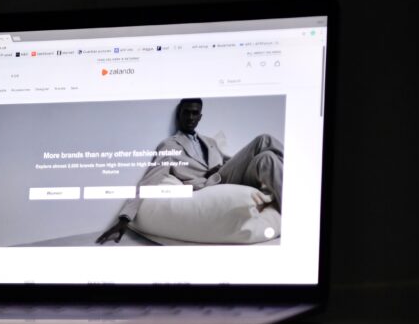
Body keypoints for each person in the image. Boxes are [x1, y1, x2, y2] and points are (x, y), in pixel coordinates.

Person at [96, 98, 284, 243]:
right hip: (208, 184)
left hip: (226, 174)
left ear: (200, 116)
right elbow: (149, 180)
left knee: (266, 158)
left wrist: (230, 164)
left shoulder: (210, 142)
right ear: (179, 114)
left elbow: (229, 160)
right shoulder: (169, 145)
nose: (190, 117)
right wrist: (124, 219)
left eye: (195, 113)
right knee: (264, 140)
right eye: (186, 112)